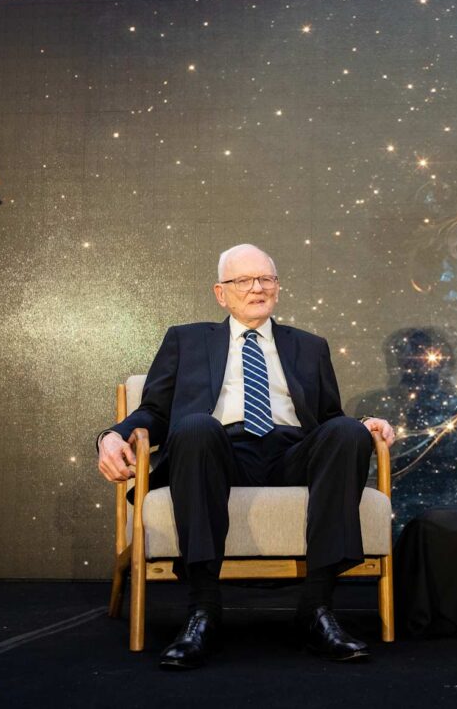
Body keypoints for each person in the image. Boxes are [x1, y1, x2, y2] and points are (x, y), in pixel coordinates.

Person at [96, 244, 395, 669]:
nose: (257, 288)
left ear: (278, 287)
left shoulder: (310, 346)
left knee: (348, 432)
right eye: (243, 280)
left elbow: (329, 419)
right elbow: (156, 412)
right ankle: (203, 610)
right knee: (196, 426)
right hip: (217, 453)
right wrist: (111, 435)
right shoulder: (186, 339)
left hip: (291, 455)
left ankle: (317, 609)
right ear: (221, 293)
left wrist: (364, 424)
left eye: (266, 278)